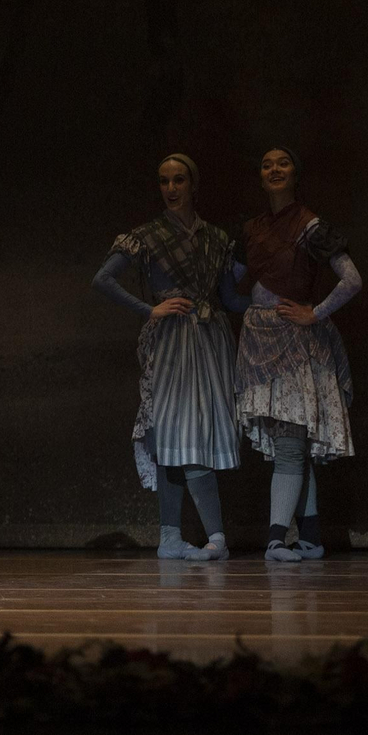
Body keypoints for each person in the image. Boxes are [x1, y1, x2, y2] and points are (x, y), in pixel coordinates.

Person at [93, 154, 248, 561]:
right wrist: (150, 309)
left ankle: (198, 538)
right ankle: (184, 536)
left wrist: (266, 304)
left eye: (179, 180)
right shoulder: (147, 235)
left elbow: (229, 299)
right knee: (173, 436)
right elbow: (103, 279)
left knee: (193, 436)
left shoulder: (216, 238)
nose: (171, 188)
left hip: (210, 340)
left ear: (193, 185)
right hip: (171, 341)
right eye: (164, 181)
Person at [236, 147, 360, 562]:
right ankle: (309, 537)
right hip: (260, 342)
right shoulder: (252, 229)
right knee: (293, 444)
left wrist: (315, 312)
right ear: (260, 175)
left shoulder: (309, 225)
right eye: (267, 163)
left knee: (291, 442)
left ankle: (275, 540)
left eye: (283, 163)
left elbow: (352, 280)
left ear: (295, 173)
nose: (274, 169)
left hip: (296, 342)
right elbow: (232, 285)